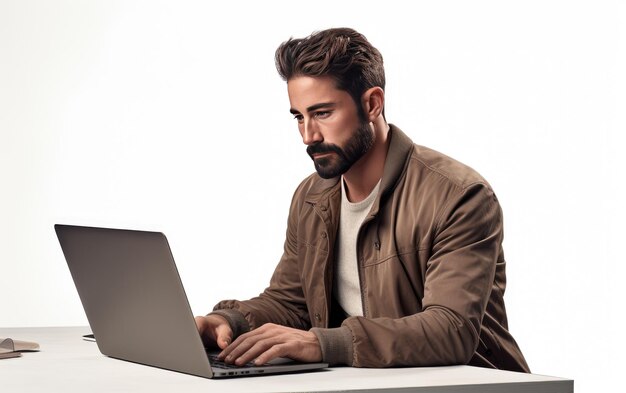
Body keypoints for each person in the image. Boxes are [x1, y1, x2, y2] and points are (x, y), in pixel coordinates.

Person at [195, 27, 530, 372]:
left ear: (372, 104)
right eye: (299, 116)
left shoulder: (459, 196)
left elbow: (450, 330)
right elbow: (291, 304)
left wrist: (323, 343)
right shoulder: (311, 197)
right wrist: (227, 322)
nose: (308, 135)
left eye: (322, 113)